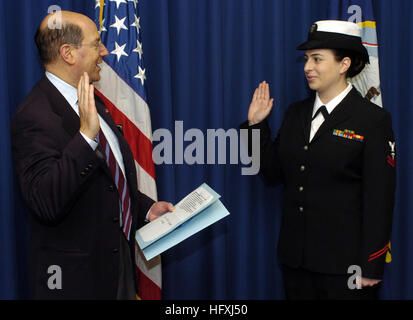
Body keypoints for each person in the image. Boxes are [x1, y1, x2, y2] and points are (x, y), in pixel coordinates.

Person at [10, 11, 174, 299]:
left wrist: (145, 209)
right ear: (68, 53)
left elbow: (109, 181)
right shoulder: (34, 115)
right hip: (73, 283)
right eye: (96, 43)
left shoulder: (92, 100)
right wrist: (86, 137)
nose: (105, 51)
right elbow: (46, 201)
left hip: (117, 270)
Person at [241, 20, 396, 300]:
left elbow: (380, 199)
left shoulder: (372, 120)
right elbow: (271, 172)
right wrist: (254, 127)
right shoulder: (296, 113)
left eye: (317, 59)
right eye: (306, 59)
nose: (307, 67)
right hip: (296, 263)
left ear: (344, 64)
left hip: (346, 267)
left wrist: (372, 265)